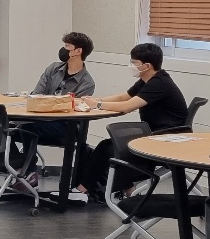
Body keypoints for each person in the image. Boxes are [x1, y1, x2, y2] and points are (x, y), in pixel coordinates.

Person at [76, 43, 188, 198]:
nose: (131, 66)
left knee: (108, 148)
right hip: (155, 133)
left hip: (165, 139)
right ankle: (127, 189)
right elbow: (124, 96)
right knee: (109, 146)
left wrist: (97, 105)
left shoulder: (159, 83)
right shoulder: (147, 79)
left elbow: (126, 107)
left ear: (147, 66)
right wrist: (95, 100)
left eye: (134, 63)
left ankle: (82, 190)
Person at [14, 32, 96, 187]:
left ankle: (29, 173)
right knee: (7, 127)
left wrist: (48, 104)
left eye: (67, 46)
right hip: (40, 120)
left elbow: (72, 109)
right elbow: (36, 94)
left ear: (78, 51)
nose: (63, 49)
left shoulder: (87, 82)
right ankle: (22, 167)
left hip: (65, 126)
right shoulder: (53, 68)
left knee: (26, 127)